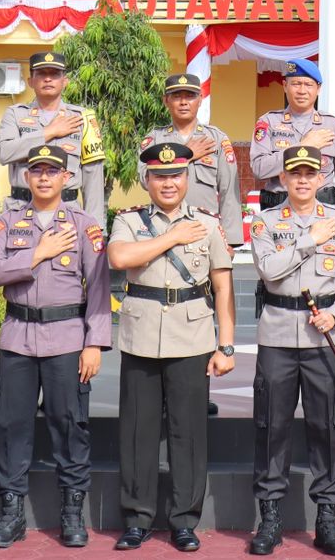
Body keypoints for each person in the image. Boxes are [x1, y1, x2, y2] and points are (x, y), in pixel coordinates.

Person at [0, 142, 111, 549]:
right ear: (26, 176)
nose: (44, 177)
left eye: (52, 171)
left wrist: (95, 343)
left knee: (71, 427)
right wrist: (36, 255)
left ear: (66, 177)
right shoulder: (8, 222)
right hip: (19, 337)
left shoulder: (84, 225)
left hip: (67, 338)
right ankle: (11, 513)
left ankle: (72, 513)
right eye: (36, 170)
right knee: (9, 427)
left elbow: (99, 287)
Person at [107, 143, 238, 551]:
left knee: (189, 433)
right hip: (141, 337)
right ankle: (137, 518)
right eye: (160, 176)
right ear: (147, 180)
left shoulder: (207, 223)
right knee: (137, 432)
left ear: (186, 179)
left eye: (176, 175)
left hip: (192, 337)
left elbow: (223, 286)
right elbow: (119, 258)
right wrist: (171, 237)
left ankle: (184, 520)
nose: (168, 183)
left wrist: (226, 346)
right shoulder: (128, 220)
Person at [247, 146, 335, 557]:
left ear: (321, 178)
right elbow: (268, 270)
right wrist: (308, 241)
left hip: (323, 338)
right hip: (278, 335)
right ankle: (270, 518)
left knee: (328, 429)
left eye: (309, 173)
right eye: (294, 173)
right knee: (271, 428)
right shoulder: (265, 222)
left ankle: (327, 518)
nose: (302, 180)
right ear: (282, 178)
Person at [0, 51, 108, 226]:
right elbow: (3, 153)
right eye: (41, 74)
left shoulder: (83, 118)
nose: (48, 79)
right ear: (30, 81)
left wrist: (96, 227)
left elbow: (93, 178)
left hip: (68, 214)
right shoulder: (15, 114)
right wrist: (48, 132)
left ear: (65, 81)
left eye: (54, 74)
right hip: (20, 211)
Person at [138, 73, 244, 245]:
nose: (183, 102)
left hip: (205, 230)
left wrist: (230, 241)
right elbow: (144, 179)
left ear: (200, 100)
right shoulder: (154, 139)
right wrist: (186, 155)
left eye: (190, 96)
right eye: (176, 96)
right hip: (164, 231)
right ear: (166, 100)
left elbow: (229, 192)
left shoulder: (216, 139)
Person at [249, 59, 335, 212]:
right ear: (285, 86)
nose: (302, 90)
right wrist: (304, 146)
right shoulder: (268, 122)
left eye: (308, 85)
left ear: (318, 89)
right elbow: (259, 169)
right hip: (278, 213)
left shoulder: (334, 126)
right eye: (296, 84)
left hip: (323, 213)